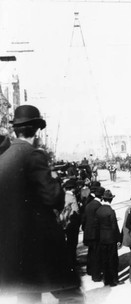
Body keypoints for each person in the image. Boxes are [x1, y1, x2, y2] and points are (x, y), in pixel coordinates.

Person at [0, 105, 83, 303]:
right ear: (36, 131)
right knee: (71, 293)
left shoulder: (3, 158)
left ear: (15, 129)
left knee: (27, 295)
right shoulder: (34, 155)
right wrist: (54, 180)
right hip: (40, 243)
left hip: (12, 247)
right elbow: (54, 198)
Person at [96, 189, 121, 287]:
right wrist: (118, 239)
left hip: (102, 238)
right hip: (111, 238)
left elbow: (97, 225)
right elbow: (114, 226)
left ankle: (106, 280)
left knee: (104, 259)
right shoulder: (111, 211)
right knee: (113, 259)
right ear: (110, 200)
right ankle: (114, 280)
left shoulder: (99, 210)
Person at [82, 184, 105, 281]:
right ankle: (96, 276)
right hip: (96, 234)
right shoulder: (99, 206)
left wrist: (85, 229)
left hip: (88, 233)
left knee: (91, 252)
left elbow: (84, 219)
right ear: (102, 196)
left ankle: (90, 270)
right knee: (96, 254)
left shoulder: (89, 204)